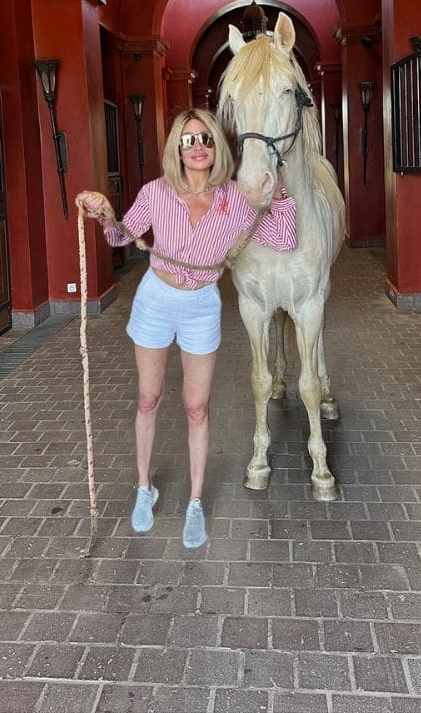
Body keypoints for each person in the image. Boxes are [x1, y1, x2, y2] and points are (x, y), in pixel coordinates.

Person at [78, 108, 297, 548]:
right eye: (189, 140)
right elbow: (121, 237)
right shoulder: (157, 192)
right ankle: (145, 488)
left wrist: (279, 192)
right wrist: (104, 212)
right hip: (156, 300)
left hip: (201, 304)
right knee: (148, 398)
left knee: (197, 407)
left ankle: (195, 501)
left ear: (217, 147)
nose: (198, 147)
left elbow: (285, 239)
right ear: (177, 148)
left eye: (206, 139)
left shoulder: (236, 198)